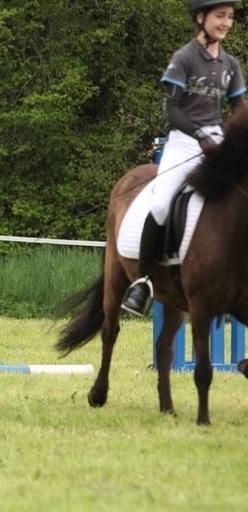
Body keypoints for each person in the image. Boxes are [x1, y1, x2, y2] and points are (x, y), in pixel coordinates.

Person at [122, 0, 246, 316]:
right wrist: (199, 134)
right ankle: (143, 282)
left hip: (217, 144)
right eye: (220, 16)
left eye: (230, 17)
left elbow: (238, 109)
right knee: (162, 202)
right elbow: (172, 111)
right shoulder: (184, 59)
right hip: (182, 143)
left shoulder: (230, 65)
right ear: (200, 17)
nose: (226, 22)